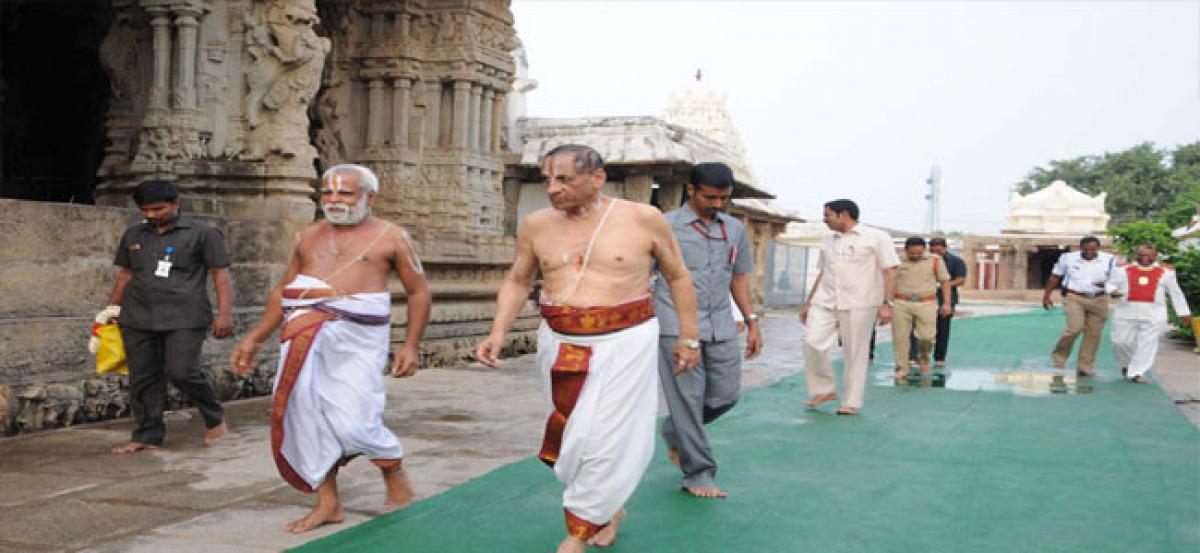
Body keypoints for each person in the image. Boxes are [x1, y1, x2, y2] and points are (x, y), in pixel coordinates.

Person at [475, 144, 700, 553]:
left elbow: (678, 277)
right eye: (547, 180)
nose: (553, 189)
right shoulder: (536, 225)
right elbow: (518, 280)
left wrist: (688, 337)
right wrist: (497, 332)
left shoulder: (642, 219)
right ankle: (608, 508)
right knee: (572, 440)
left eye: (564, 179)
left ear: (597, 178)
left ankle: (576, 535)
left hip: (625, 342)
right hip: (559, 342)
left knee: (607, 438)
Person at [229, 163, 432, 533]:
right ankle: (328, 503)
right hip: (304, 334)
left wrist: (411, 345)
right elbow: (283, 291)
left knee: (357, 418)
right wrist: (255, 337)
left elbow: (418, 292)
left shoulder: (393, 237)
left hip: (358, 341)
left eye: (345, 193)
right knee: (303, 414)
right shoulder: (306, 237)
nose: (335, 200)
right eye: (328, 193)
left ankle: (392, 465)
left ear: (370, 197)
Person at [653, 162, 762, 500]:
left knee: (725, 396)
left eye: (723, 199)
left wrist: (752, 319)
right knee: (687, 400)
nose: (717, 205)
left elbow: (739, 277)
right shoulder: (664, 226)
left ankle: (675, 431)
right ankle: (698, 473)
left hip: (721, 325)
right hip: (676, 326)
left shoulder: (734, 228)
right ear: (691, 190)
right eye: (710, 197)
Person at [103, 180, 232, 455]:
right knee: (142, 377)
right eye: (145, 210)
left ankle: (214, 417)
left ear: (175, 204)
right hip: (138, 315)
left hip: (185, 315)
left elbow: (220, 274)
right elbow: (126, 273)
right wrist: (112, 308)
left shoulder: (203, 233)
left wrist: (224, 314)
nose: (150, 215)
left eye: (158, 209)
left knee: (181, 370)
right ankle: (147, 434)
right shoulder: (134, 234)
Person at [799, 199, 899, 415]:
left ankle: (851, 401)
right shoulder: (828, 240)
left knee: (855, 352)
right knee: (811, 342)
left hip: (860, 302)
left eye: (828, 215)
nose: (824, 220)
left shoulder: (877, 237)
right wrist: (808, 302)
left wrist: (887, 304)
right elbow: (822, 272)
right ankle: (824, 389)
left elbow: (890, 271)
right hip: (825, 301)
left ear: (844, 215)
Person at [1107, 243, 1192, 383]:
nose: (1144, 259)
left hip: (1154, 314)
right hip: (1125, 312)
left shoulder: (1166, 272)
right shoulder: (1122, 269)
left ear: (1155, 256)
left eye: (1148, 256)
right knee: (1120, 342)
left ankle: (1137, 372)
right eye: (1141, 255)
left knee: (1147, 344)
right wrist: (1112, 291)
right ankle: (1126, 365)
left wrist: (1183, 312)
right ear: (1136, 255)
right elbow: (1111, 283)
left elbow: (1175, 293)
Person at [1043, 236, 1115, 376]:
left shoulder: (1110, 260)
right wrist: (1047, 296)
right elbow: (1055, 276)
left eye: (1092, 249)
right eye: (1085, 249)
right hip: (1074, 297)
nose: (1089, 252)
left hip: (1099, 299)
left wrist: (1107, 286)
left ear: (1098, 249)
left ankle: (1084, 367)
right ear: (1080, 248)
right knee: (1074, 329)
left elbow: (1117, 280)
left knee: (1093, 334)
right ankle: (1059, 357)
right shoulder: (1068, 258)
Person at [892, 237, 952, 377]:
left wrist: (947, 303)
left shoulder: (935, 260)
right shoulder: (897, 261)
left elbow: (945, 282)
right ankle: (902, 366)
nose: (915, 256)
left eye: (919, 253)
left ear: (924, 250)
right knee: (900, 337)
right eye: (912, 253)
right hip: (902, 302)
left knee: (927, 336)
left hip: (926, 302)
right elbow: (888, 279)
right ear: (905, 250)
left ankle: (923, 357)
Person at [908, 237, 967, 368]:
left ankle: (940, 358)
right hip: (923, 299)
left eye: (939, 251)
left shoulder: (956, 261)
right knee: (916, 328)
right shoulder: (923, 261)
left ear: (945, 248)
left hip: (944, 299)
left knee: (942, 329)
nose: (936, 253)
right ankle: (913, 356)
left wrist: (943, 284)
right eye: (933, 250)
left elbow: (961, 280)